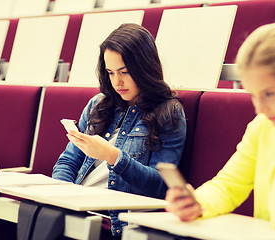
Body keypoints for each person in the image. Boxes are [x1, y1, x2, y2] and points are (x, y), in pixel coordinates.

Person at [165, 22, 275, 236]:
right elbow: (228, 186)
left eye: (269, 94)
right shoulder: (264, 124)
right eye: (254, 95)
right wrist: (197, 203)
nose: (260, 108)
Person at [52, 23, 187, 237]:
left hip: (113, 222)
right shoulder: (98, 104)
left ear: (144, 68)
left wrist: (114, 157)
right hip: (76, 211)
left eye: (124, 72)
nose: (117, 82)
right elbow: (68, 162)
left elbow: (161, 186)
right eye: (111, 72)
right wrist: (59, 198)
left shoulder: (168, 113)